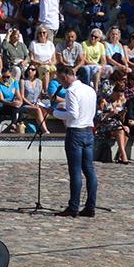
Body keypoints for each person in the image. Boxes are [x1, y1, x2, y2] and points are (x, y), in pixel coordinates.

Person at [51, 64, 97, 218]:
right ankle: (90, 206)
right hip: (88, 131)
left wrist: (54, 112)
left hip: (76, 132)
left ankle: (74, 206)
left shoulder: (71, 91)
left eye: (59, 79)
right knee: (89, 170)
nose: (60, 83)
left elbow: (73, 114)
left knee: (76, 171)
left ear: (64, 77)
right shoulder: (90, 89)